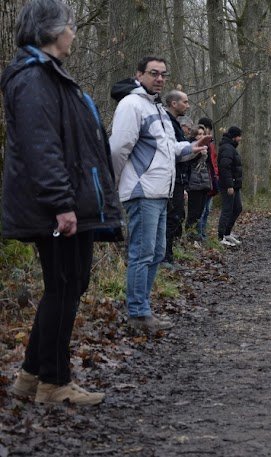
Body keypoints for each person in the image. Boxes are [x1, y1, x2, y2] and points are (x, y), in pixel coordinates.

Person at [3, 0, 123, 405]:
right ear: (53, 30)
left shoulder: (49, 76)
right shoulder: (33, 78)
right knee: (64, 286)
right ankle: (55, 383)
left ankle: (31, 377)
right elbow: (42, 147)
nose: (74, 33)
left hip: (70, 200)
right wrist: (61, 203)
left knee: (69, 284)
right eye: (71, 26)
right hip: (58, 205)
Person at [109, 57, 209, 333]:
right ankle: (137, 314)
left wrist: (192, 147)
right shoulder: (131, 105)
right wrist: (113, 184)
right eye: (154, 73)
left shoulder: (158, 109)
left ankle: (143, 310)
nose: (160, 79)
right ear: (138, 74)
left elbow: (168, 150)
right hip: (142, 192)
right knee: (142, 253)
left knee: (155, 252)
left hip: (161, 192)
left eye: (164, 74)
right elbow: (118, 148)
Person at [163, 90, 191, 265]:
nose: (188, 106)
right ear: (174, 103)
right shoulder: (167, 123)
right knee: (171, 217)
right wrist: (192, 149)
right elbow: (172, 151)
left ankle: (168, 255)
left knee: (176, 216)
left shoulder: (174, 123)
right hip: (171, 179)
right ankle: (165, 257)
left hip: (180, 179)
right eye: (185, 102)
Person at [185, 124, 213, 240]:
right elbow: (187, 163)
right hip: (193, 183)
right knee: (193, 212)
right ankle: (190, 237)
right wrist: (197, 154)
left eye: (203, 134)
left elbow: (208, 166)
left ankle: (198, 235)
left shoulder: (206, 148)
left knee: (201, 211)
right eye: (199, 134)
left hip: (204, 182)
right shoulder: (190, 147)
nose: (201, 136)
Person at [217, 126, 243, 247]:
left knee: (237, 208)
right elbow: (224, 167)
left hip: (234, 185)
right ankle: (220, 236)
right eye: (239, 136)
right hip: (228, 185)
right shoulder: (227, 148)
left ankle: (227, 233)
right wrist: (229, 185)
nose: (240, 139)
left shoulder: (231, 148)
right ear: (234, 136)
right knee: (227, 210)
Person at [196, 117, 219, 241]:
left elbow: (213, 162)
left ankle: (203, 233)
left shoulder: (211, 144)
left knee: (207, 210)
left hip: (210, 180)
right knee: (202, 210)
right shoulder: (203, 145)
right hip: (204, 180)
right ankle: (199, 234)